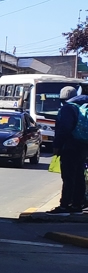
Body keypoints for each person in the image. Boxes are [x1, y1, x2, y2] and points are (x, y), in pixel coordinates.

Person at [48, 86, 88, 214]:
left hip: (70, 145)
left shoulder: (68, 108)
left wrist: (57, 146)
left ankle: (64, 205)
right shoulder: (84, 106)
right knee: (79, 175)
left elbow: (64, 129)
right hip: (84, 144)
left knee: (68, 176)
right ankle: (77, 205)